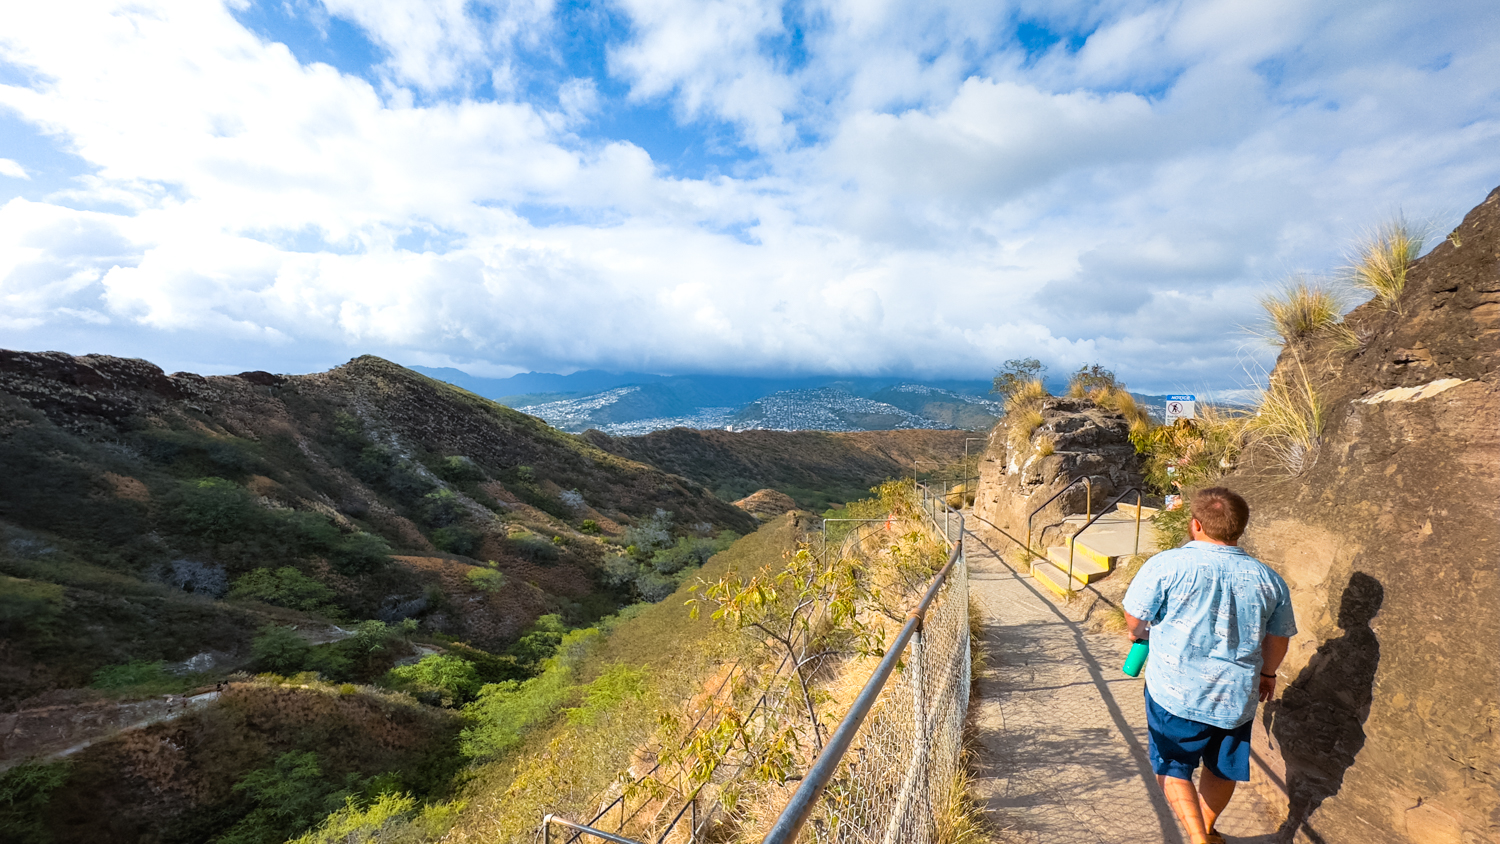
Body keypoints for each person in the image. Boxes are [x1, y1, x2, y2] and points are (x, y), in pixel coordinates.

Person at [1123, 487, 1296, 844]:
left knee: (1172, 765)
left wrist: (1138, 634)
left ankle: (1197, 837)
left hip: (1174, 690)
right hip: (1236, 695)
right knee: (1223, 766)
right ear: (1239, 528)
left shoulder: (1166, 564)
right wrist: (1268, 673)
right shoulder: (1269, 579)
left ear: (1196, 524)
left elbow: (1135, 617)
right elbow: (1278, 638)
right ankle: (1206, 828)